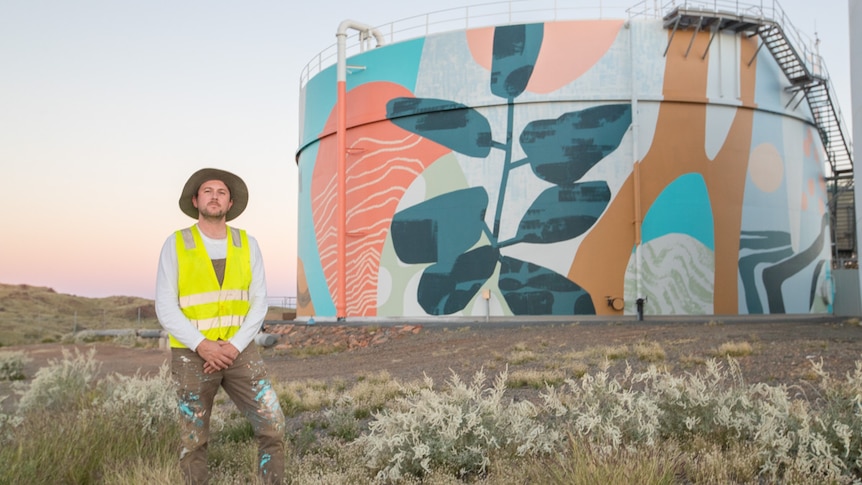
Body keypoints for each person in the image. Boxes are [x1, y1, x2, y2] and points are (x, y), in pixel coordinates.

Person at [155, 167, 285, 484]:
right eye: (208, 191)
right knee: (193, 439)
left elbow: (259, 301)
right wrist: (203, 345)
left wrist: (234, 346)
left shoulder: (247, 243)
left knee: (274, 425)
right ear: (196, 200)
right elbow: (165, 305)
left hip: (239, 352)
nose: (215, 197)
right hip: (191, 354)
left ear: (229, 204)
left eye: (222, 192)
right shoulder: (175, 244)